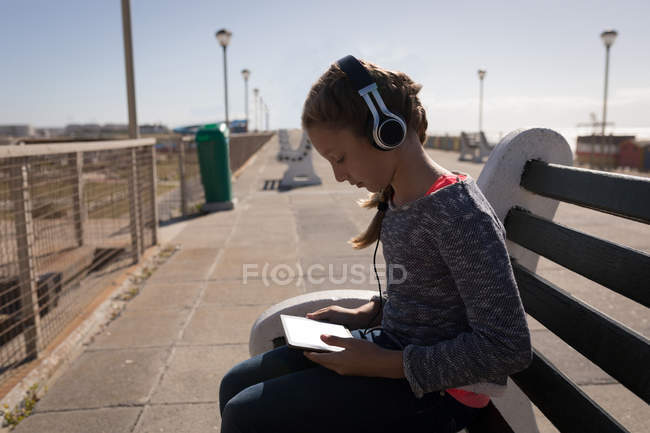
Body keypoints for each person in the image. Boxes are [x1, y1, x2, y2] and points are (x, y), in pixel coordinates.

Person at [219, 56, 533, 433]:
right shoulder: (402, 198)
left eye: (340, 158)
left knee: (246, 414)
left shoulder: (459, 215)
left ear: (387, 132)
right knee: (234, 384)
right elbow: (430, 298)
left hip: (441, 393)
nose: (337, 175)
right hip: (393, 352)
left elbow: (506, 348)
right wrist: (365, 314)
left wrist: (381, 363)